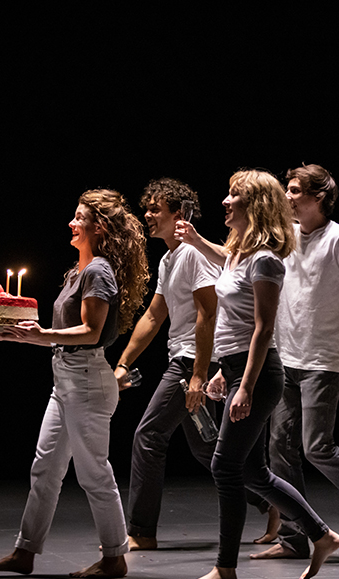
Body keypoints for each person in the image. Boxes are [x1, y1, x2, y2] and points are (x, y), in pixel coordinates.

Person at [174, 170, 339, 579]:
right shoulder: (238, 254)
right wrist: (222, 372)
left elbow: (263, 330)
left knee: (225, 467)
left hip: (260, 374)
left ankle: (224, 569)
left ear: (257, 206)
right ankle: (321, 534)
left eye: (236, 196)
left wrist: (245, 385)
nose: (226, 202)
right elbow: (230, 299)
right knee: (254, 472)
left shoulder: (266, 259)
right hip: (235, 370)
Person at [0, 189, 150, 578]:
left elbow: (91, 333)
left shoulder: (98, 271)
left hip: (87, 380)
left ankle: (114, 557)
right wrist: (21, 335)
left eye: (79, 218)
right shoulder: (77, 271)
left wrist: (40, 336)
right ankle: (25, 552)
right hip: (67, 380)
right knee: (45, 468)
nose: (71, 223)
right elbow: (63, 331)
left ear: (99, 226)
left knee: (94, 473)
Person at [113, 178, 269, 551]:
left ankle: (141, 531)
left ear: (179, 214)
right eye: (147, 208)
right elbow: (154, 315)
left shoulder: (194, 253)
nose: (148, 216)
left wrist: (199, 373)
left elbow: (208, 313)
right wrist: (122, 362)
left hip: (191, 362)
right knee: (208, 451)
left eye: (156, 210)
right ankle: (273, 503)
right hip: (186, 358)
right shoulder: (170, 257)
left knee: (148, 437)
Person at [251, 164, 339, 561]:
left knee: (317, 446)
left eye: (295, 191)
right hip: (286, 356)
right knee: (279, 446)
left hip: (324, 360)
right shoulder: (287, 237)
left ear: (319, 198)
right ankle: (295, 538)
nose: (288, 197)